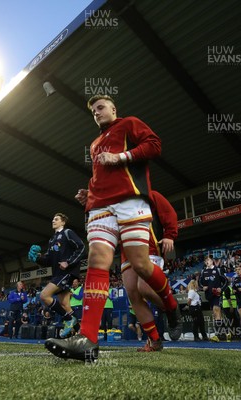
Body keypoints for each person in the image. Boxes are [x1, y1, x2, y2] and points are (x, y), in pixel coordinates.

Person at [45, 95, 181, 362]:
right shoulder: (95, 143)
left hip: (130, 201)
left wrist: (121, 156)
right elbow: (103, 174)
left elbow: (154, 145)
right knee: (98, 259)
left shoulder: (129, 124)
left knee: (141, 266)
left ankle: (172, 306)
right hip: (100, 207)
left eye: (100, 107)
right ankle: (87, 339)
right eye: (93, 110)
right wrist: (90, 192)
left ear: (113, 109)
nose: (96, 112)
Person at [120, 190, 179, 352]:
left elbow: (169, 212)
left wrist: (170, 235)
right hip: (126, 251)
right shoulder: (114, 201)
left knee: (144, 288)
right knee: (134, 295)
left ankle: (171, 308)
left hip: (150, 247)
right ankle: (155, 341)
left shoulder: (148, 194)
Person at [28, 213, 85, 338]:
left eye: (56, 219)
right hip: (57, 274)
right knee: (65, 305)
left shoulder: (67, 232)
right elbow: (48, 260)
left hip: (67, 272)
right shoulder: (52, 239)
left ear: (63, 222)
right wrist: (37, 258)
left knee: (44, 296)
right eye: (53, 219)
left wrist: (68, 262)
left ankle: (68, 320)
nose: (53, 220)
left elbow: (81, 247)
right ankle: (81, 334)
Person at [199, 255, 228, 341]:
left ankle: (218, 335)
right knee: (216, 315)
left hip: (217, 295)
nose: (207, 261)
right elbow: (200, 283)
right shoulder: (203, 272)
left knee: (216, 311)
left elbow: (226, 281)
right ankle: (226, 332)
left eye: (208, 260)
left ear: (212, 261)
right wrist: (202, 287)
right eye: (205, 261)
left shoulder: (218, 270)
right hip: (209, 296)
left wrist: (221, 289)